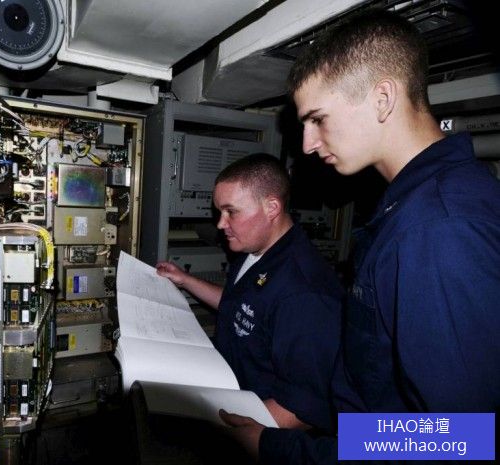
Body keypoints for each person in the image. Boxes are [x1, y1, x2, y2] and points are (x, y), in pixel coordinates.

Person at [219, 8, 500, 463]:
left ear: (382, 98)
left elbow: (461, 440)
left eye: (318, 119)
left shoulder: (440, 229)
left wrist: (277, 447)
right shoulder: (416, 205)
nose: (307, 143)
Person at [156, 153, 344, 432]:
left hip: (256, 430)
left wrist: (223, 423)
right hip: (232, 396)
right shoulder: (254, 250)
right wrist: (185, 280)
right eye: (220, 211)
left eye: (231, 211)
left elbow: (302, 409)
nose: (221, 224)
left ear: (272, 207)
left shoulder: (305, 293)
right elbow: (242, 307)